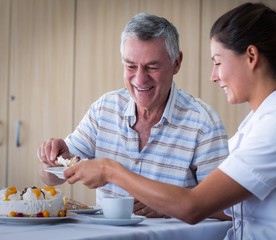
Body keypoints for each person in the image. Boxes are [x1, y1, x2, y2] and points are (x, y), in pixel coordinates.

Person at [63, 3, 276, 239]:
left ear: (251, 57)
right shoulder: (262, 120)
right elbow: (221, 204)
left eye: (218, 62)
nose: (213, 76)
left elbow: (193, 206)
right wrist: (166, 203)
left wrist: (111, 170)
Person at [38, 13, 229, 219]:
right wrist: (54, 160)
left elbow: (228, 208)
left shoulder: (204, 123)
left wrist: (171, 205)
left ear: (176, 63)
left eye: (152, 67)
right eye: (130, 66)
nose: (140, 79)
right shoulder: (104, 109)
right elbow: (51, 178)